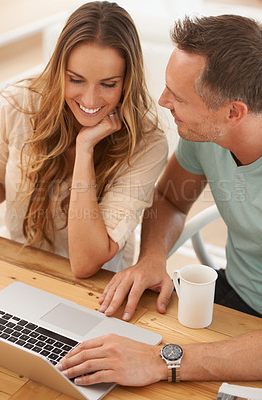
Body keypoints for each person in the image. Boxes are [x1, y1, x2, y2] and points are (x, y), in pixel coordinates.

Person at [56, 14, 262, 385]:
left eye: (178, 97)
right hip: (234, 295)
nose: (162, 101)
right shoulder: (205, 134)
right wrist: (152, 257)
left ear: (233, 112)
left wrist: (161, 361)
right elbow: (169, 197)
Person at [0, 1, 168, 277]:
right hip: (19, 267)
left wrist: (85, 148)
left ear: (127, 81)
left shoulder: (148, 144)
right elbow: (0, 187)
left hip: (95, 289)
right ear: (58, 71)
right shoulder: (18, 105)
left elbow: (85, 263)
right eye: (75, 80)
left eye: (108, 84)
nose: (89, 100)